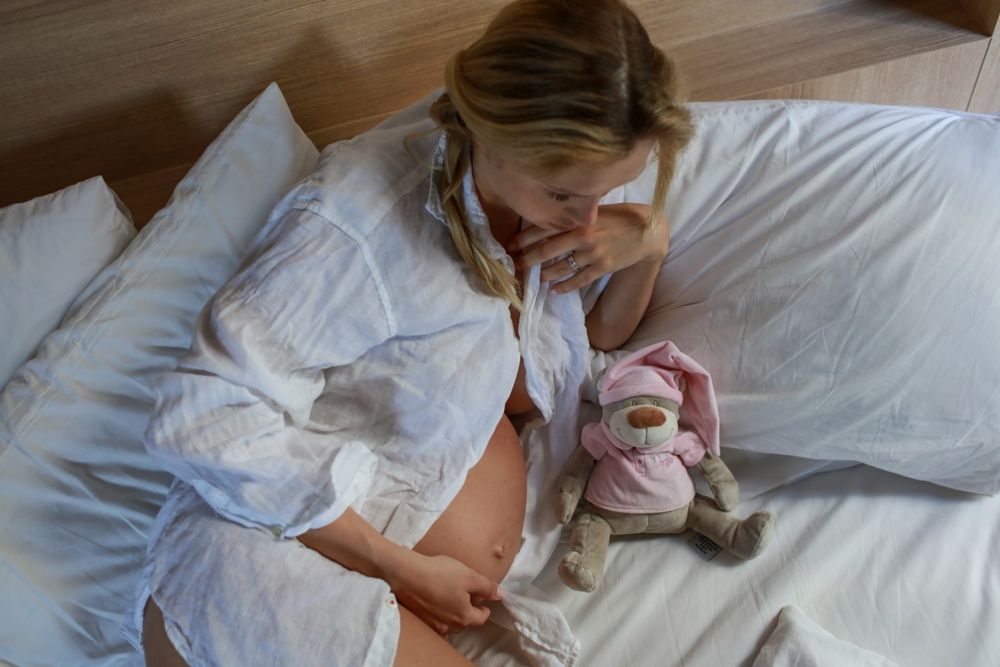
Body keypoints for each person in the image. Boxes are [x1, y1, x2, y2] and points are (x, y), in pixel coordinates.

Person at [131, 0, 693, 665]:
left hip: (378, 583)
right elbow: (197, 412)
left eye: (610, 188)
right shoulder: (357, 223)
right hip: (256, 565)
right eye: (567, 193)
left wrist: (648, 241)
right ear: (489, 133)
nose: (588, 216)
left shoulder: (529, 204)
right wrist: (400, 567)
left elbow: (591, 340)